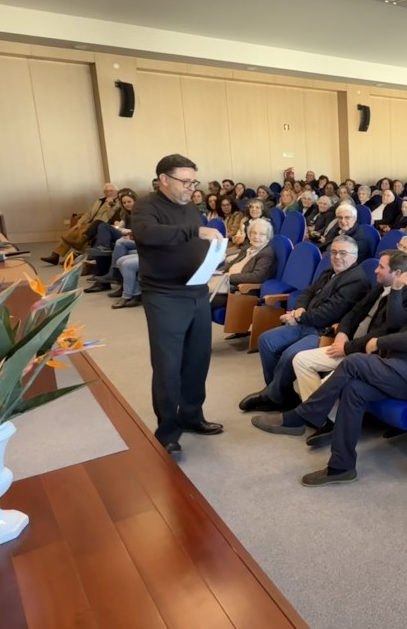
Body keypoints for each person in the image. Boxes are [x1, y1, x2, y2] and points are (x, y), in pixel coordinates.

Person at [251, 260, 407, 485]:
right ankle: (341, 466)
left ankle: (300, 416)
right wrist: (396, 290)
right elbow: (396, 322)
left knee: (354, 362)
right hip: (395, 368)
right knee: (354, 390)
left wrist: (378, 342)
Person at [131, 154, 225, 456]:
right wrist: (195, 232)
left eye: (193, 182)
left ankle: (192, 415)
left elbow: (190, 244)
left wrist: (212, 256)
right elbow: (147, 234)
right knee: (168, 364)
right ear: (164, 180)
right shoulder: (146, 206)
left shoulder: (191, 208)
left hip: (196, 291)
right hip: (164, 295)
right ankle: (168, 430)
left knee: (198, 359)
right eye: (185, 182)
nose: (191, 188)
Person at [238, 235, 370, 413]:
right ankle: (281, 395)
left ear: (355, 256)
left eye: (343, 253)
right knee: (266, 340)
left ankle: (271, 395)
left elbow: (331, 312)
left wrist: (299, 317)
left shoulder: (357, 279)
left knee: (290, 354)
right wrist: (299, 308)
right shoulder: (329, 272)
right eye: (334, 252)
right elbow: (307, 292)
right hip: (307, 322)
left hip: (324, 331)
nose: (337, 257)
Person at [289, 250, 407, 411]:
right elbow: (354, 311)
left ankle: (314, 413)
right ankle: (323, 417)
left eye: (381, 267)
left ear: (397, 273)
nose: (375, 270)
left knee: (325, 386)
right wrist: (342, 334)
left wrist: (347, 348)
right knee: (301, 360)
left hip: (366, 355)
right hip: (347, 345)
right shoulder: (380, 286)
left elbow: (386, 331)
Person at [209, 218, 277, 317]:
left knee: (203, 299)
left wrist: (228, 277)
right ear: (249, 234)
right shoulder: (247, 248)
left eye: (262, 234)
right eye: (254, 233)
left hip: (240, 292)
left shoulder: (266, 253)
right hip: (225, 285)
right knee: (196, 292)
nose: (257, 237)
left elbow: (256, 277)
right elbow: (232, 263)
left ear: (268, 237)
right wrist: (218, 271)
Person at [41, 182, 121, 265]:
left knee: (82, 236)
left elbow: (112, 216)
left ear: (116, 191)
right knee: (73, 230)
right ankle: (55, 255)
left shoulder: (119, 203)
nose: (108, 193)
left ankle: (70, 258)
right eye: (106, 191)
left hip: (101, 226)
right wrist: (79, 222)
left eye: (111, 191)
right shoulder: (99, 201)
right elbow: (88, 214)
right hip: (89, 223)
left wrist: (108, 205)